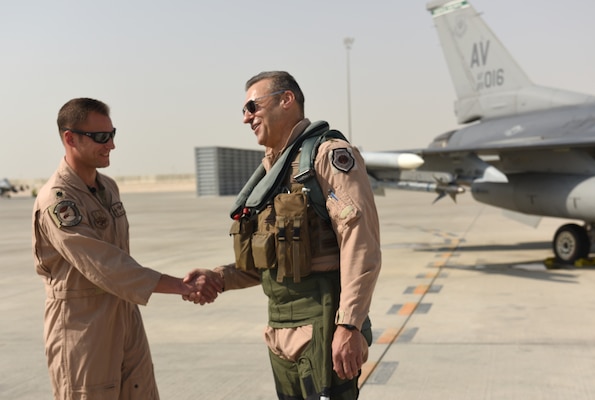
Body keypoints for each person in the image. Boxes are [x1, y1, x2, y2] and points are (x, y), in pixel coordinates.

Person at [185, 71, 381, 399]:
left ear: (286, 100)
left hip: (322, 324)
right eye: (244, 111)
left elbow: (360, 242)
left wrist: (349, 325)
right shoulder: (272, 173)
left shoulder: (326, 156)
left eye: (252, 106)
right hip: (279, 331)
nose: (246, 118)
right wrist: (217, 278)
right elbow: (267, 262)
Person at [32, 98, 221, 400]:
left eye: (112, 134)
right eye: (100, 137)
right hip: (84, 325)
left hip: (125, 315)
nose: (111, 145)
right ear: (70, 138)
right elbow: (106, 265)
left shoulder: (108, 188)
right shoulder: (57, 200)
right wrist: (182, 286)